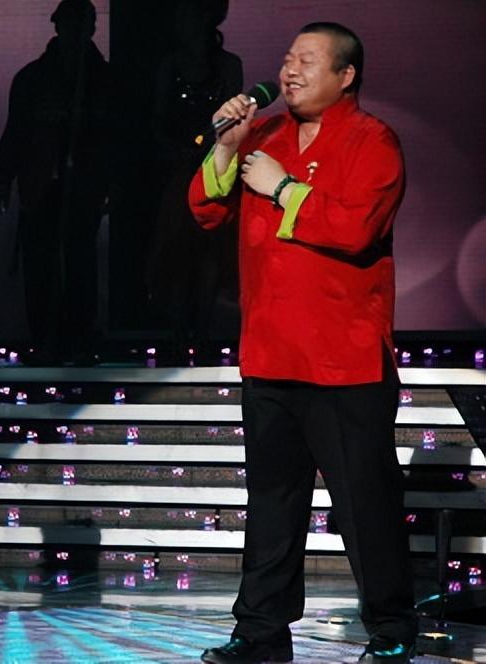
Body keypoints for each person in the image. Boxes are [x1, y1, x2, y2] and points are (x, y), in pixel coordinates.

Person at [188, 22, 417, 663]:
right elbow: (205, 209)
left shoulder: (373, 140)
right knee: (271, 505)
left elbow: (356, 227)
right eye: (288, 58)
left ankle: (392, 632)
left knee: (365, 506)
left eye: (308, 61)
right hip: (270, 353)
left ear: (345, 76)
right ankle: (261, 632)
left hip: (344, 360)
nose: (290, 71)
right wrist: (228, 146)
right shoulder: (264, 136)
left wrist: (284, 188)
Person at [0, 0, 110, 366]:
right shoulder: (32, 78)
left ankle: (79, 341)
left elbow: (116, 137)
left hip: (85, 185)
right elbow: (15, 132)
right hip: (41, 182)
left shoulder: (104, 80)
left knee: (80, 262)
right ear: (58, 26)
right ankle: (46, 340)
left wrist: (111, 184)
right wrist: (3, 179)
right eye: (71, 23)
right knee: (41, 264)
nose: (76, 31)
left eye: (82, 23)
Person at [145, 0, 242, 351]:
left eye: (187, 13)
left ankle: (202, 329)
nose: (181, 21)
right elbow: (157, 120)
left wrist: (213, 148)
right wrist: (177, 150)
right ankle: (177, 330)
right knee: (176, 246)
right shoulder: (170, 65)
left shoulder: (228, 65)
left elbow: (236, 118)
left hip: (216, 167)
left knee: (212, 249)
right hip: (179, 167)